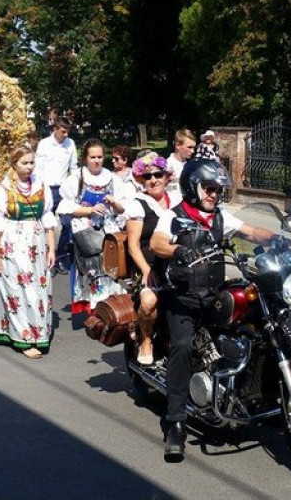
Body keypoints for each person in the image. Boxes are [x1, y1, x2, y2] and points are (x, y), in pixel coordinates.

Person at [150, 158, 274, 458]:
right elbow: (157, 243)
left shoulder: (221, 217)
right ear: (193, 188)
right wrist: (179, 249)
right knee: (181, 347)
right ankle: (176, 421)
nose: (214, 194)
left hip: (213, 293)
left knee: (255, 323)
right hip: (182, 296)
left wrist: (280, 239)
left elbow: (250, 231)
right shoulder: (174, 216)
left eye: (218, 190)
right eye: (209, 188)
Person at [0, 146, 58, 359]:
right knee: (17, 290)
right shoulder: (2, 190)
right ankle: (24, 338)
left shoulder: (40, 187)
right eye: (24, 163)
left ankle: (38, 331)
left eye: (31, 162)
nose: (29, 167)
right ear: (14, 165)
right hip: (12, 244)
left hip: (36, 244)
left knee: (38, 290)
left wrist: (51, 248)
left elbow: (47, 220)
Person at [57, 139, 126, 314]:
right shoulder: (77, 179)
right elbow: (66, 208)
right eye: (93, 157)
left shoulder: (111, 179)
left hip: (108, 231)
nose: (96, 161)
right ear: (85, 158)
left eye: (100, 157)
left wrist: (114, 202)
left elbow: (122, 209)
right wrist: (89, 210)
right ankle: (93, 309)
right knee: (90, 271)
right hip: (86, 233)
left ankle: (108, 309)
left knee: (109, 270)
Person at [123, 152, 174, 365]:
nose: (153, 180)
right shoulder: (138, 204)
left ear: (166, 177)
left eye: (158, 174)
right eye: (147, 177)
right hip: (149, 266)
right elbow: (133, 245)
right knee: (149, 301)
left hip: (178, 264)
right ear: (140, 180)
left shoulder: (178, 200)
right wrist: (146, 270)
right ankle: (145, 339)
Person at [34, 116, 78, 274]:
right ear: (55, 129)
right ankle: (46, 257)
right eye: (63, 132)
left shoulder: (70, 144)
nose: (65, 135)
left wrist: (74, 186)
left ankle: (59, 256)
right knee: (46, 225)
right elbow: (37, 168)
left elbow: (73, 167)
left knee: (67, 223)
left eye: (67, 132)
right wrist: (38, 188)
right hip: (46, 188)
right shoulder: (44, 144)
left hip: (63, 188)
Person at [165, 129, 196, 203]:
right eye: (189, 147)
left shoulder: (190, 166)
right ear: (178, 145)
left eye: (193, 147)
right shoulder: (167, 166)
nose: (193, 151)